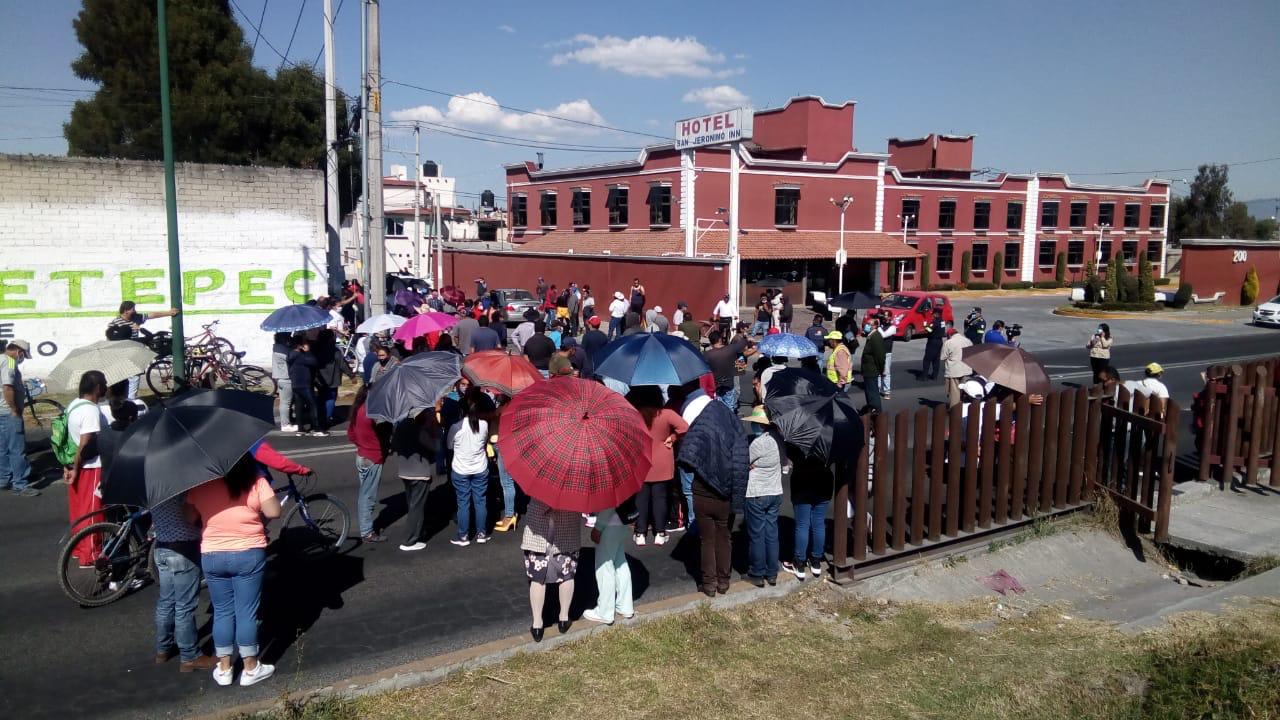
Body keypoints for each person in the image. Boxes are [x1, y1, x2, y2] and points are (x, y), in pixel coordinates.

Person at [183, 454, 280, 687]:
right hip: (248, 552)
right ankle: (250, 667)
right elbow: (274, 512)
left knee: (223, 611)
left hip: (212, 554)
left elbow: (188, 516)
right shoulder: (256, 481)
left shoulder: (201, 484)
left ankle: (224, 668)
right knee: (246, 612)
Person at [671, 379, 749, 597]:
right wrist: (738, 499)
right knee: (724, 537)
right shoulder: (734, 426)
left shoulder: (701, 424)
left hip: (702, 491)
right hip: (725, 494)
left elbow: (685, 455)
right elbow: (742, 463)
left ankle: (708, 584)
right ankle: (724, 581)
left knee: (706, 540)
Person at [627, 387, 688, 547]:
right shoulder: (666, 414)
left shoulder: (634, 414)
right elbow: (684, 427)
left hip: (640, 460)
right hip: (662, 460)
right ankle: (660, 533)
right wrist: (672, 437)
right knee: (660, 498)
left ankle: (640, 533)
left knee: (641, 499)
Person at [522, 497, 581, 641]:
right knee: (566, 574)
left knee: (538, 577)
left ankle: (537, 625)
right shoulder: (577, 480)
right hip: (567, 527)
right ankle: (563, 618)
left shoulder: (542, 475)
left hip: (538, 528)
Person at [65, 371, 109, 565]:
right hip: (91, 467)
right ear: (98, 388)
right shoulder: (90, 410)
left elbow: (69, 441)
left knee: (78, 511)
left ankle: (78, 548)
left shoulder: (73, 405)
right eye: (104, 384)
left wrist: (68, 467)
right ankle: (90, 555)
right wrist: (76, 467)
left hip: (76, 466)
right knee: (92, 512)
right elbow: (85, 443)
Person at [744, 404, 786, 587]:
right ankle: (772, 573)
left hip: (757, 493)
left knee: (757, 535)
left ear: (761, 425)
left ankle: (757, 572)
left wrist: (752, 466)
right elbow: (785, 466)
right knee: (772, 533)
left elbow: (743, 462)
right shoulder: (779, 440)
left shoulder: (758, 443)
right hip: (775, 491)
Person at [106, 301, 180, 398]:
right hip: (121, 353)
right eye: (132, 309)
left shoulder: (136, 318)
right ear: (125, 311)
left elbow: (151, 315)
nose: (135, 311)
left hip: (134, 352)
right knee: (123, 379)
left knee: (134, 377)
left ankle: (131, 399)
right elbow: (109, 338)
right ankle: (123, 399)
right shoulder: (115, 323)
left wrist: (168, 313)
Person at [391, 407, 440, 551]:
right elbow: (435, 446)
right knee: (416, 508)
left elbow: (394, 445)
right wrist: (435, 429)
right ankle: (410, 540)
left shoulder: (401, 426)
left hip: (404, 471)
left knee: (411, 503)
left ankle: (418, 530)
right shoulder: (420, 430)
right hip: (419, 473)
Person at [447, 389, 492, 546]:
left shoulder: (456, 427)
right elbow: (484, 442)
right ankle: (481, 533)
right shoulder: (484, 425)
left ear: (461, 409)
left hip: (461, 469)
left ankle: (463, 536)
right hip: (480, 467)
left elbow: (449, 446)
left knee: (463, 503)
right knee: (480, 501)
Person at [348, 385, 391, 543]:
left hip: (361, 455)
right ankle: (367, 531)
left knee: (364, 493)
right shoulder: (373, 414)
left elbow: (351, 434)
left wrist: (361, 445)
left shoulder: (357, 410)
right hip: (373, 458)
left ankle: (366, 527)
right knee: (368, 497)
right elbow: (385, 434)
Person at [782, 451, 834, 581]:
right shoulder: (829, 437)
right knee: (819, 523)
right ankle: (816, 560)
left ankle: (799, 562)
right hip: (824, 483)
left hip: (802, 482)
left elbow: (790, 458)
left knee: (802, 524)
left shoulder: (800, 439)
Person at [583, 498, 634, 626]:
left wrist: (598, 527)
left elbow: (609, 505)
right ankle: (625, 606)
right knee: (620, 563)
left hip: (609, 526)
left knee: (604, 568)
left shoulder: (606, 478)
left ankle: (605, 612)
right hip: (622, 523)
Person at [0, 340, 37, 497]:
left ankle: (3, 479)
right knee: (17, 448)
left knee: (2, 448)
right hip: (9, 411)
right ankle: (20, 484)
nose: (22, 358)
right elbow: (7, 387)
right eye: (23, 355)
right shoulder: (8, 362)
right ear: (19, 352)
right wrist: (15, 408)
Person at [287, 338, 323, 436]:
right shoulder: (300, 356)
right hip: (304, 384)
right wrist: (308, 352)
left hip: (295, 384)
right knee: (313, 405)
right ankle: (316, 428)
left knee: (299, 406)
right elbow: (314, 362)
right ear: (300, 346)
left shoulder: (290, 355)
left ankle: (300, 429)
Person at [703, 330, 745, 411]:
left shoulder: (707, 354)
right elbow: (741, 360)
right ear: (720, 340)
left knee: (718, 408)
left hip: (715, 385)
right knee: (730, 407)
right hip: (728, 383)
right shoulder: (730, 350)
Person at [269, 333, 296, 433]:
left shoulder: (277, 347)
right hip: (285, 378)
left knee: (285, 402)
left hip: (280, 377)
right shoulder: (283, 350)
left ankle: (287, 421)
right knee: (286, 403)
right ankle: (285, 425)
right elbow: (291, 358)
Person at [941, 328, 974, 408]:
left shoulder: (949, 342)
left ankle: (955, 409)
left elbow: (943, 357)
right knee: (966, 391)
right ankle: (966, 408)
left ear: (949, 335)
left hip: (954, 371)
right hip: (967, 369)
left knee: (955, 392)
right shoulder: (968, 341)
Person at [860, 317, 886, 412]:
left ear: (875, 326)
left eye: (869, 324)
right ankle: (872, 410)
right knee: (869, 392)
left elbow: (880, 356)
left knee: (872, 393)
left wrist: (881, 369)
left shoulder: (876, 337)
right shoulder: (871, 336)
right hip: (868, 370)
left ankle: (877, 412)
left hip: (872, 370)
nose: (866, 326)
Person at [922, 311, 946, 380]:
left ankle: (924, 376)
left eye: (933, 314)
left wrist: (925, 326)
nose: (932, 315)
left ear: (936, 314)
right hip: (939, 341)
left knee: (927, 359)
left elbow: (929, 330)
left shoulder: (935, 322)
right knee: (936, 359)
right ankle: (935, 376)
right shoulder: (942, 321)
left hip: (933, 341)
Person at [878, 316, 896, 399]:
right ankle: (877, 389)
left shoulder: (892, 327)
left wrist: (878, 328)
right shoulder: (880, 327)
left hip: (887, 352)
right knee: (878, 372)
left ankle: (887, 391)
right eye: (884, 316)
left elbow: (884, 335)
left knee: (886, 373)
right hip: (878, 351)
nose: (886, 318)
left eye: (887, 316)